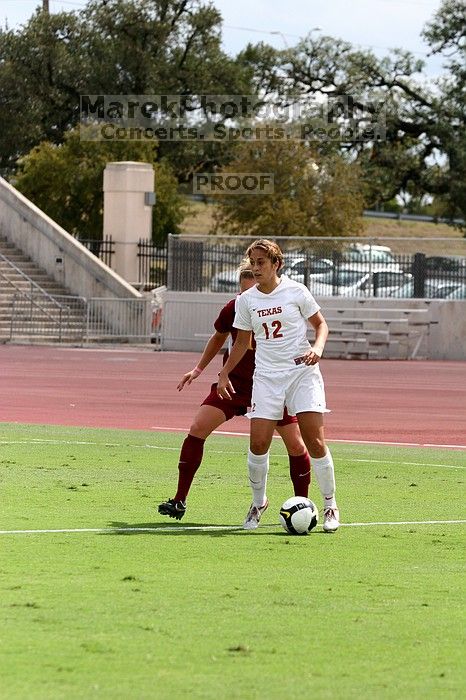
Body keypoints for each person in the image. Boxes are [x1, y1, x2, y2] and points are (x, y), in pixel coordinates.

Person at [158, 262, 313, 523]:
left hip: (272, 384)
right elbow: (218, 337)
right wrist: (197, 370)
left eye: (251, 289)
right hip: (234, 384)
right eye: (242, 291)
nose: (246, 296)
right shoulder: (236, 306)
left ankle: (303, 504)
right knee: (198, 428)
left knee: (295, 444)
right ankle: (179, 500)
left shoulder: (279, 304)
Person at [217, 239, 339, 533]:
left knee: (315, 441)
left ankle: (330, 504)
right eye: (253, 263)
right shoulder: (247, 301)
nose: (256, 268)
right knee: (258, 443)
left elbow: (321, 325)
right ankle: (258, 503)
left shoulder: (296, 291)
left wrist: (318, 349)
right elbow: (243, 343)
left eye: (261, 263)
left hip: (302, 372)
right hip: (267, 376)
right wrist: (224, 374)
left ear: (276, 264)